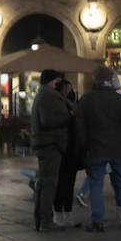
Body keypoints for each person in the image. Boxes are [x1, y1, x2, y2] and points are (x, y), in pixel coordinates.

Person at [75, 65, 121, 232]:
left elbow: (80, 126)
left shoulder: (87, 99)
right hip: (118, 149)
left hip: (96, 149)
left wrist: (84, 146)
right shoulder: (118, 99)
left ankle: (98, 221)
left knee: (96, 185)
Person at [30, 69, 72, 232]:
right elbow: (48, 119)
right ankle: (46, 220)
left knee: (44, 182)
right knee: (49, 183)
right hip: (50, 143)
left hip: (46, 143)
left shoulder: (45, 94)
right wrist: (69, 115)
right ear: (50, 80)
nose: (58, 84)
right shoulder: (47, 96)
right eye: (57, 80)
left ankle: (41, 219)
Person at [53, 83, 84, 228]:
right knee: (62, 183)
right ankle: (59, 214)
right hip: (63, 149)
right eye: (68, 89)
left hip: (72, 149)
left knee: (69, 183)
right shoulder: (59, 105)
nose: (71, 91)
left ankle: (67, 213)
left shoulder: (72, 104)